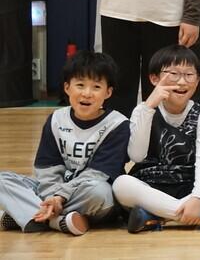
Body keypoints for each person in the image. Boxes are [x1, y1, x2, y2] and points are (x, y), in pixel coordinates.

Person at [112, 45, 200, 232]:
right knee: (121, 184)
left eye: (189, 75)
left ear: (197, 81)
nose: (182, 82)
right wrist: (149, 107)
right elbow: (137, 156)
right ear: (154, 79)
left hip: (188, 186)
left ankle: (156, 215)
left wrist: (197, 198)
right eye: (174, 74)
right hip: (151, 186)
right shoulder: (143, 109)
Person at [0, 52, 129, 235]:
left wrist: (60, 197)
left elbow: (98, 175)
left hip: (91, 195)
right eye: (80, 85)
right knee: (3, 180)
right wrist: (52, 196)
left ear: (108, 92)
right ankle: (58, 221)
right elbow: (47, 169)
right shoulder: (56, 119)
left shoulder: (118, 124)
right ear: (67, 88)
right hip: (56, 191)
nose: (87, 93)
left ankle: (29, 213)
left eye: (96, 87)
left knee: (99, 192)